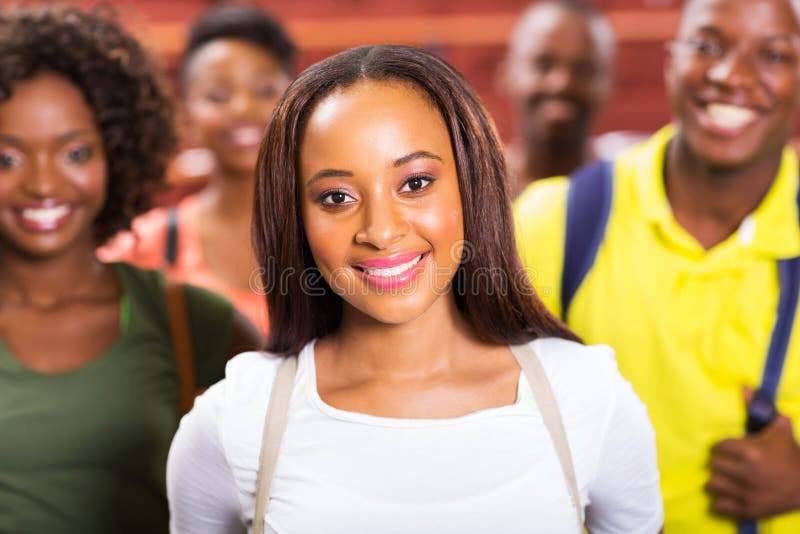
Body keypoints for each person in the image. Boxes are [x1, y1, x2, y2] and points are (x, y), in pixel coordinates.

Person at [167, 44, 663, 534]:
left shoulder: (587, 396)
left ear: (472, 184)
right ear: (297, 218)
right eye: (336, 197)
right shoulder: (234, 424)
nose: (381, 230)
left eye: (415, 183)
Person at [514, 0, 800, 532]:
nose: (730, 75)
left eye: (773, 54)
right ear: (671, 61)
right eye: (708, 45)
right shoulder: (554, 222)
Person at [0, 6, 262, 533]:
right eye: (7, 159)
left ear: (118, 152)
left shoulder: (196, 322)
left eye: (75, 153)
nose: (44, 184)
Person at [99, 4, 296, 336]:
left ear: (296, 100)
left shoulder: (330, 230)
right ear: (187, 114)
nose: (242, 108)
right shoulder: (147, 245)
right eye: (218, 96)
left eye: (264, 91)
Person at [498, 0, 616, 195]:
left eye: (583, 70)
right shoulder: (472, 189)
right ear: (506, 73)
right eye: (543, 65)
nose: (561, 83)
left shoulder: (625, 186)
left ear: (609, 82)